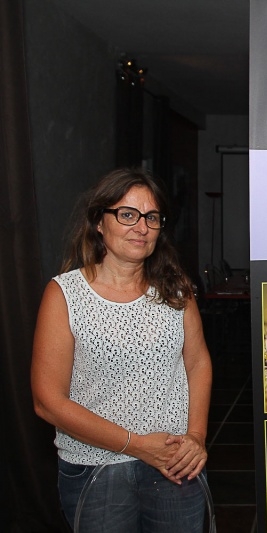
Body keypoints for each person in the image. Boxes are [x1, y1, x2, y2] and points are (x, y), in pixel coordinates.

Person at [31, 168, 212, 531]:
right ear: (99, 222)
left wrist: (196, 436)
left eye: (152, 217)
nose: (141, 227)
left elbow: (197, 363)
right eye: (128, 215)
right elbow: (47, 401)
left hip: (175, 462)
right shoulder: (65, 294)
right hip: (95, 467)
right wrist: (138, 445)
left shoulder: (176, 290)